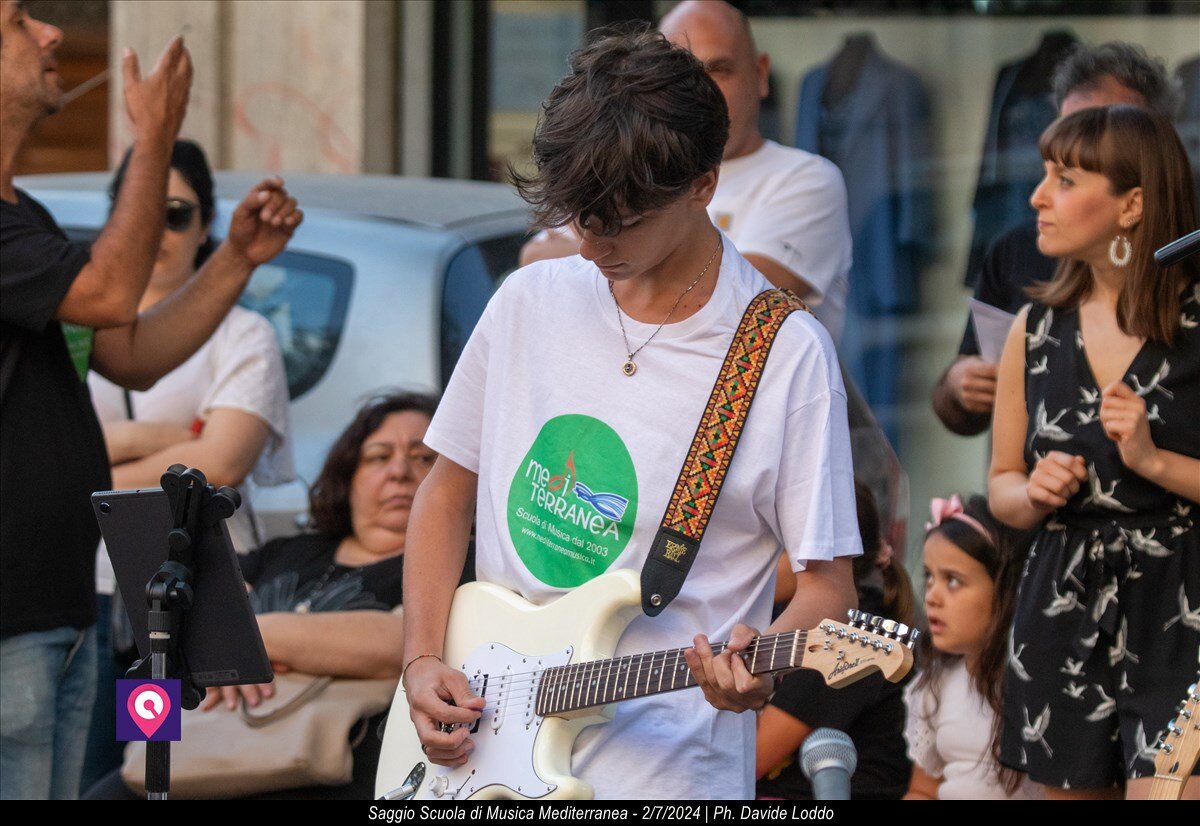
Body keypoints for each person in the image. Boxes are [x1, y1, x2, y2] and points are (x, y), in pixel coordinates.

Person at [402, 28, 859, 801]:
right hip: (480, 756)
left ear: (703, 184)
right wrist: (418, 658)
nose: (589, 245)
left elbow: (829, 586)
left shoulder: (783, 354)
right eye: (578, 216)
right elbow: (447, 490)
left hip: (669, 772)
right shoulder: (526, 301)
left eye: (619, 221)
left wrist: (758, 668)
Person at [0, 1, 301, 798]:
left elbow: (129, 354)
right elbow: (105, 294)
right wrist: (153, 135)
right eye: (17, 21)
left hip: (61, 609)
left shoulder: (19, 217)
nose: (50, 33)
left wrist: (235, 259)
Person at [84, 392, 445, 800]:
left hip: (322, 764)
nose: (399, 472)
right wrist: (221, 655)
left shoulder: (453, 566)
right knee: (104, 791)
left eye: (424, 458)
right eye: (379, 457)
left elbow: (402, 643)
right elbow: (166, 626)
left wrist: (240, 646)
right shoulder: (284, 550)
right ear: (349, 476)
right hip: (204, 741)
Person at [988, 105, 1199, 799]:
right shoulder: (1033, 328)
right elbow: (1001, 487)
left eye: (1066, 178)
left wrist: (1152, 460)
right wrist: (1035, 490)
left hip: (1180, 609)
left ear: (1132, 204)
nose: (1037, 197)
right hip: (1062, 605)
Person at [80, 139, 295, 790]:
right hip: (84, 594)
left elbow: (220, 462)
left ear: (206, 224)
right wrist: (152, 438)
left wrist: (82, 474)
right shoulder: (75, 327)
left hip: (184, 600)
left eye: (177, 213)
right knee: (85, 777)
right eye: (141, 208)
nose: (159, 229)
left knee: (160, 773)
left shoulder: (241, 335)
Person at [521, 1, 853, 344]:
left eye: (718, 69)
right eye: (676, 76)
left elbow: (735, 298)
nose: (699, 90)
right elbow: (533, 259)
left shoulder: (805, 179)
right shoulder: (612, 161)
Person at [933, 42, 1180, 436]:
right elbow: (973, 419)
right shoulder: (1018, 252)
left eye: (1100, 135)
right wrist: (958, 385)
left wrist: (1153, 464)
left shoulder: (1185, 260)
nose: (1078, 147)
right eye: (1067, 135)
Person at [756, 481, 914, 801]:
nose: (753, 566)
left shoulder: (852, 635)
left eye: (773, 548)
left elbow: (751, 759)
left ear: (825, 555)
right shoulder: (782, 615)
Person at [903, 494, 1041, 800]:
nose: (932, 596)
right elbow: (923, 790)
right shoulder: (934, 685)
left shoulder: (1040, 690)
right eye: (929, 577)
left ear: (1006, 590)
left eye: (953, 581)